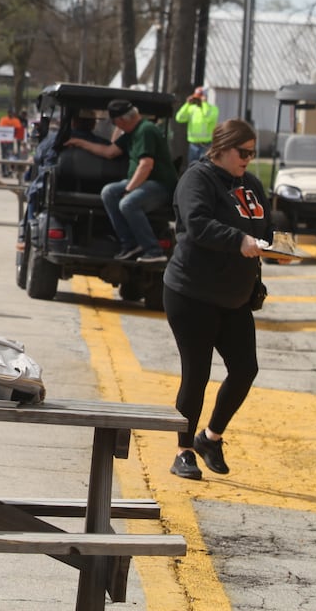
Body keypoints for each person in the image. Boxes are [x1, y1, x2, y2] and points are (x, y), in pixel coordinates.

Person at [162, 120, 270, 481]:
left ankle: (210, 437)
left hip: (234, 297)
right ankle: (183, 451)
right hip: (192, 293)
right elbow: (197, 223)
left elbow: (264, 229)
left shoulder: (250, 185)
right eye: (244, 152)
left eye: (253, 153)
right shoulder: (198, 179)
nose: (249, 160)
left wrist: (277, 246)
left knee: (245, 369)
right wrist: (239, 241)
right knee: (197, 374)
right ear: (222, 147)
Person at [66, 98, 178, 264]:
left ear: (121, 120)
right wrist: (80, 142)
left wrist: (129, 189)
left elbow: (146, 165)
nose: (115, 126)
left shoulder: (146, 130)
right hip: (142, 182)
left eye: (115, 122)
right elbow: (109, 152)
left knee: (128, 203)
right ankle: (129, 243)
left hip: (159, 185)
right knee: (109, 192)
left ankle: (153, 250)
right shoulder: (131, 133)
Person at [175, 87, 220, 164]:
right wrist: (187, 104)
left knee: (205, 167)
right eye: (196, 98)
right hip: (193, 145)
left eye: (199, 98)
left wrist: (204, 103)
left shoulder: (213, 109)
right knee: (192, 167)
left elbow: (208, 118)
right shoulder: (192, 108)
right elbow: (179, 118)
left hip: (206, 145)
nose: (197, 100)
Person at [0, 109, 23, 178]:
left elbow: (18, 129)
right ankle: (4, 171)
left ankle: (9, 171)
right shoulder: (3, 119)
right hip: (4, 141)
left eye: (12, 113)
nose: (10, 114)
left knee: (10, 156)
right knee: (4, 156)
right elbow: (1, 128)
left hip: (11, 141)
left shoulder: (16, 121)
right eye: (9, 113)